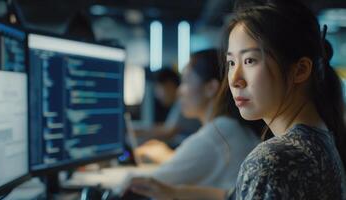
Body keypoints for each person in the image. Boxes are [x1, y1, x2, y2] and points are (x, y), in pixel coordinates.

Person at [128, 0, 346, 199]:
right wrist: (174, 192)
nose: (234, 79)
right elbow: (233, 195)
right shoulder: (321, 139)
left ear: (300, 70)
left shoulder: (272, 160)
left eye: (250, 60)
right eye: (231, 63)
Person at [124, 49, 261, 196]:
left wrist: (114, 179)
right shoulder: (230, 127)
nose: (179, 91)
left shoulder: (217, 133)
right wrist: (170, 158)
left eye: (186, 81)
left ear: (210, 88)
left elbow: (148, 184)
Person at [134, 67, 201, 147]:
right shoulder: (178, 104)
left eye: (158, 88)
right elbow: (168, 127)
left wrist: (137, 133)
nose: (157, 95)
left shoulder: (183, 104)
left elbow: (168, 132)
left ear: (169, 85)